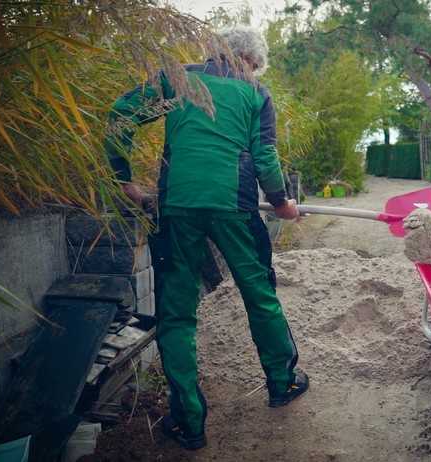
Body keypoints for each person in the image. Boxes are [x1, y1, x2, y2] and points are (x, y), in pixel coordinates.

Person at [104, 25, 308, 450]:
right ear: (250, 61)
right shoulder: (256, 93)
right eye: (254, 66)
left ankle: (188, 422)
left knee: (176, 313)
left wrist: (123, 179)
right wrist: (282, 202)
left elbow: (121, 114)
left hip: (176, 206)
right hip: (235, 206)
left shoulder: (177, 80)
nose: (252, 72)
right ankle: (281, 382)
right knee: (259, 294)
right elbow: (265, 155)